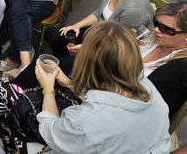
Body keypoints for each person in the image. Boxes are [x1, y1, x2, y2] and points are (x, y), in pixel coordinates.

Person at [34, 21, 170, 153]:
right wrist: (67, 82)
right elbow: (108, 101)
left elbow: (53, 134)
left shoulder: (84, 122)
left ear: (84, 61)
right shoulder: (148, 87)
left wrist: (48, 89)